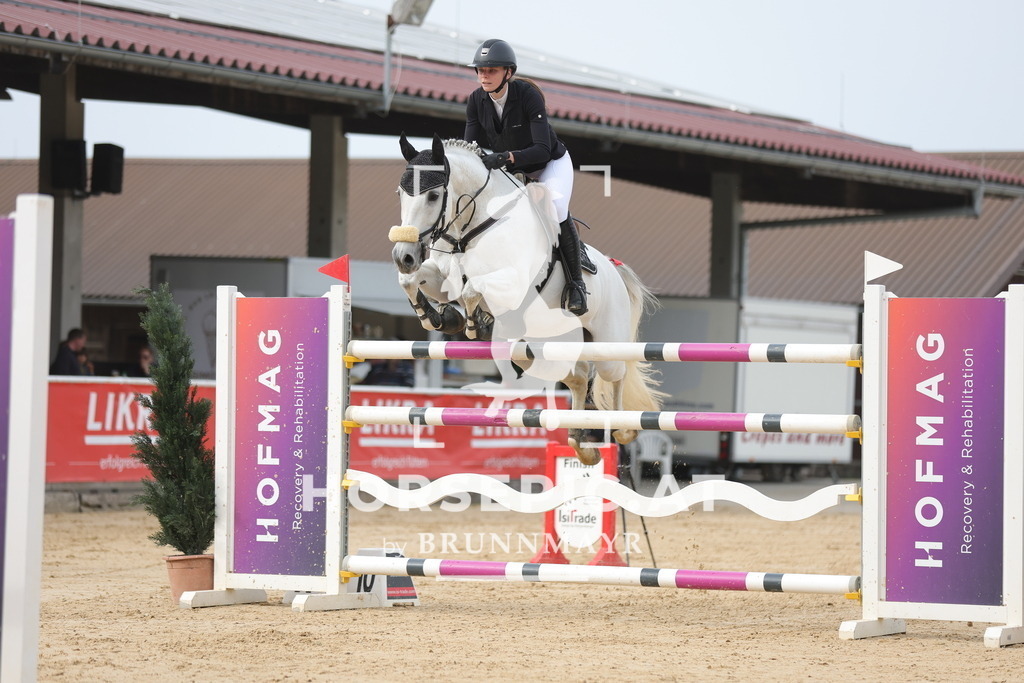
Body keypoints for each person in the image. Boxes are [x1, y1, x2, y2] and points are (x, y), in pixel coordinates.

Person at [463, 38, 592, 316]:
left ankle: (576, 285)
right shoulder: (476, 100)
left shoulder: (526, 96)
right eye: (480, 71)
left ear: (508, 73)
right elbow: (471, 147)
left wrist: (507, 157)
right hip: (512, 168)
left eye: (491, 70)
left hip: (549, 163)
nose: (484, 76)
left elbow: (541, 149)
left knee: (555, 207)